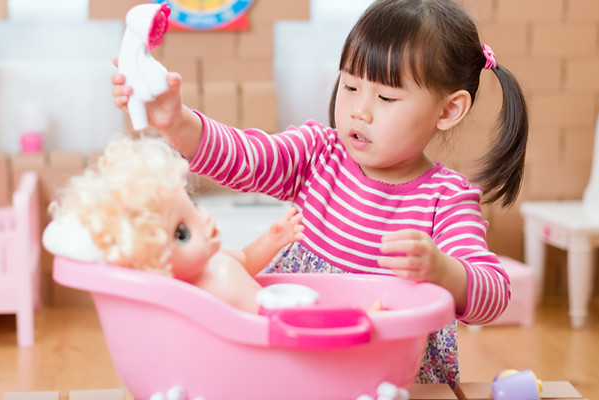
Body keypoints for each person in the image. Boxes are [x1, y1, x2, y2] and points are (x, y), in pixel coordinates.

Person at [111, 0, 528, 387]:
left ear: (448, 110)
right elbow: (245, 156)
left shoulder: (445, 199)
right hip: (296, 364)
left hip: (386, 377)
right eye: (350, 86)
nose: (359, 109)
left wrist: (443, 271)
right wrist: (176, 122)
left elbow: (493, 292)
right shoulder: (318, 153)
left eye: (385, 96)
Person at [44, 137, 305, 313]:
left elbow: (246, 259)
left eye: (193, 205)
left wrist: (273, 239)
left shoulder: (213, 261)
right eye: (182, 233)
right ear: (156, 268)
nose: (203, 218)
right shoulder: (187, 299)